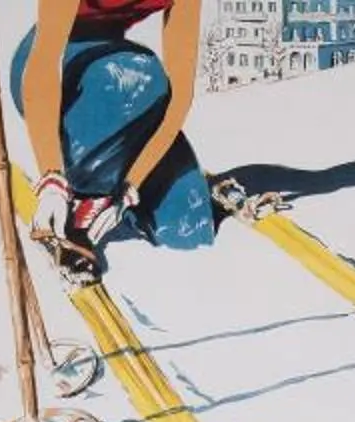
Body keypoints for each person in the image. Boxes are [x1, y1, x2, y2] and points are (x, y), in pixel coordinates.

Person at [15, 0, 213, 278]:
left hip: (119, 84)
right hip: (58, 75)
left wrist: (131, 187)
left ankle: (107, 188)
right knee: (139, 74)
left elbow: (179, 95)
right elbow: (44, 63)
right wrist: (51, 178)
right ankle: (81, 197)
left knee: (189, 225)